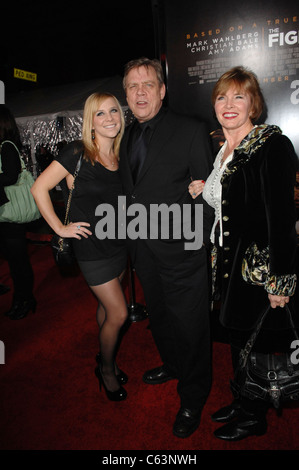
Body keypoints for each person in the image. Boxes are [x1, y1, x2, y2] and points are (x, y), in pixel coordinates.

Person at [189, 66, 298, 441]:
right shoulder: (224, 147)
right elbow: (233, 198)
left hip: (258, 268)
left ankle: (255, 414)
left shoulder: (272, 146)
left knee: (260, 343)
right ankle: (242, 399)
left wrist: (279, 280)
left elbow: (282, 219)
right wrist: (203, 188)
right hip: (227, 263)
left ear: (254, 104)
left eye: (239, 96)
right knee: (238, 338)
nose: (229, 104)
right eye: (222, 97)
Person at [119, 57, 214, 438]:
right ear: (126, 95)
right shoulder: (124, 134)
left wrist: (195, 246)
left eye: (147, 85)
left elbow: (209, 196)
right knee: (159, 316)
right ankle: (173, 365)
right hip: (142, 251)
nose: (140, 92)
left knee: (190, 325)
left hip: (183, 251)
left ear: (162, 91)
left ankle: (194, 394)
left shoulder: (191, 130)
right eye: (132, 86)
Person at [31, 92, 129, 401]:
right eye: (100, 114)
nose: (109, 117)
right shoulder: (77, 152)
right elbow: (39, 188)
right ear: (90, 121)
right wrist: (59, 228)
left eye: (113, 110)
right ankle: (107, 370)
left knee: (106, 307)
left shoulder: (122, 154)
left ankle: (104, 356)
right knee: (119, 313)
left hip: (120, 244)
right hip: (90, 248)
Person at [0, 105, 36, 320]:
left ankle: (25, 299)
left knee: (19, 261)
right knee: (15, 260)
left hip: (11, 213)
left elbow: (11, 177)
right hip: (7, 213)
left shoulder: (6, 146)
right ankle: (21, 299)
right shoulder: (6, 145)